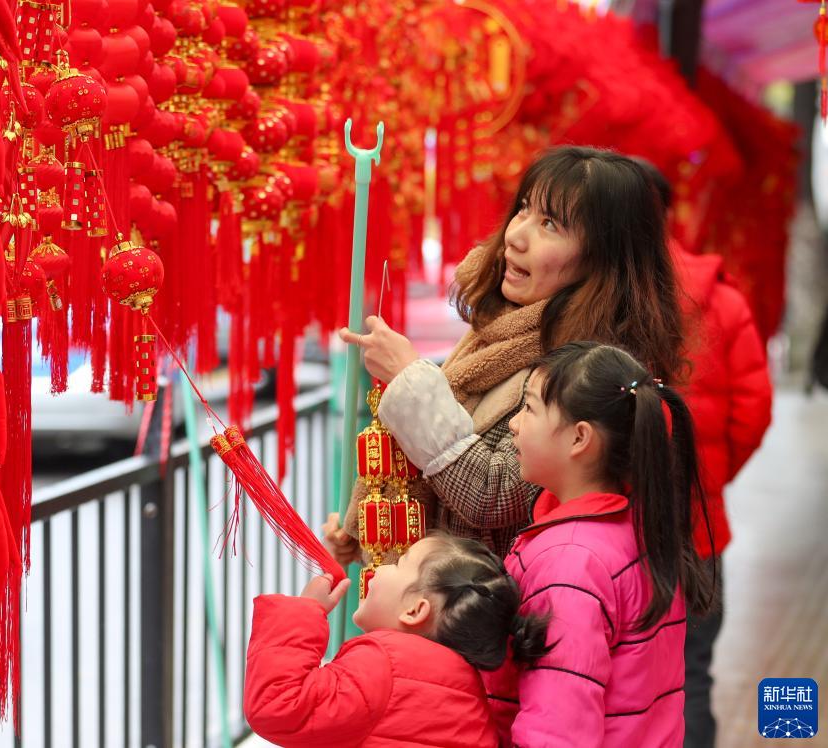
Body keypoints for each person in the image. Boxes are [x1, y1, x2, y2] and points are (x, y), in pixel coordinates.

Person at [326, 146, 687, 562]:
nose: (516, 235)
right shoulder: (499, 331)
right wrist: (373, 524)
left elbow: (493, 494)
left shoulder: (591, 375)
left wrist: (411, 381)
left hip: (500, 607)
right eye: (524, 210)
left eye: (550, 224)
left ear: (602, 260)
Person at [486, 341, 716, 746]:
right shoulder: (637, 527)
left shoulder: (571, 563)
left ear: (579, 438)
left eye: (529, 409)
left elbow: (557, 731)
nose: (514, 425)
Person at [637, 159, 773, 748]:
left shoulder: (600, 292)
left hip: (615, 531)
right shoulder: (722, 299)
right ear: (670, 211)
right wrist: (708, 476)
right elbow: (754, 408)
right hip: (699, 531)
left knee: (622, 685)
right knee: (691, 678)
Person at [243, 533, 551, 747]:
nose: (382, 566)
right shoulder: (464, 687)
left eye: (401, 562)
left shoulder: (382, 666)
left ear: (415, 610)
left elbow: (278, 706)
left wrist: (302, 612)